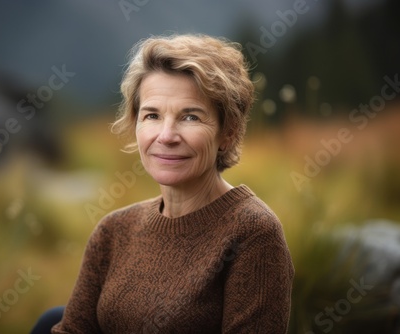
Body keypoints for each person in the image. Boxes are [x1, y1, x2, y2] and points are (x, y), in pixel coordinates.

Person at [36, 33, 294, 333]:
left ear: (228, 132)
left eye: (190, 117)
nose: (166, 136)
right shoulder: (114, 231)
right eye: (152, 115)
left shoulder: (253, 233)